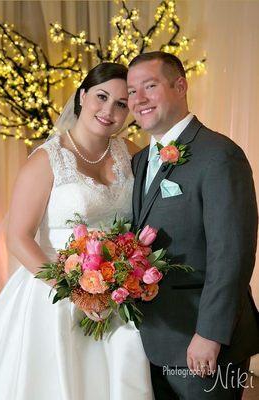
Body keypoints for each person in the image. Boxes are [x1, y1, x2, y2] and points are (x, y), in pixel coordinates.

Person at [0, 62, 154, 400]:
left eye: (121, 103)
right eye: (101, 96)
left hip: (115, 291)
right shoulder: (46, 160)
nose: (108, 110)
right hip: (54, 294)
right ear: (82, 96)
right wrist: (73, 293)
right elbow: (18, 236)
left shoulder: (133, 155)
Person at [127, 51, 259, 399]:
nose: (138, 99)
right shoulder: (138, 161)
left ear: (180, 85)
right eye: (131, 91)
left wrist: (210, 335)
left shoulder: (219, 155)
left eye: (150, 86)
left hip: (202, 342)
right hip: (151, 340)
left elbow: (231, 253)